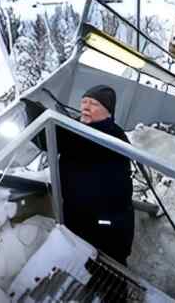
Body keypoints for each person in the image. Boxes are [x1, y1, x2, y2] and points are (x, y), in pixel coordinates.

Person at [28, 85, 135, 265]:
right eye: (84, 102)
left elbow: (59, 138)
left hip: (107, 225)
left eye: (93, 104)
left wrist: (35, 113)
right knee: (84, 260)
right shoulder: (83, 127)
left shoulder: (110, 133)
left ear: (108, 113)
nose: (85, 107)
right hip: (84, 217)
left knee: (109, 267)